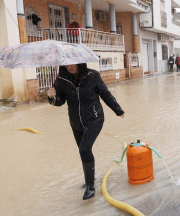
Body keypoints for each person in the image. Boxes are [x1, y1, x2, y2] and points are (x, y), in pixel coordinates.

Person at [46, 63, 124, 200]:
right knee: (83, 151)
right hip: (76, 123)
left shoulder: (92, 75)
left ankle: (90, 187)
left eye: (72, 63)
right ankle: (89, 179)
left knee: (84, 149)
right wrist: (51, 97)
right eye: (66, 64)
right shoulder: (61, 80)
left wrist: (118, 110)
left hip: (94, 119)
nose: (70, 66)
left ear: (79, 62)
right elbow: (60, 102)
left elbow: (105, 93)